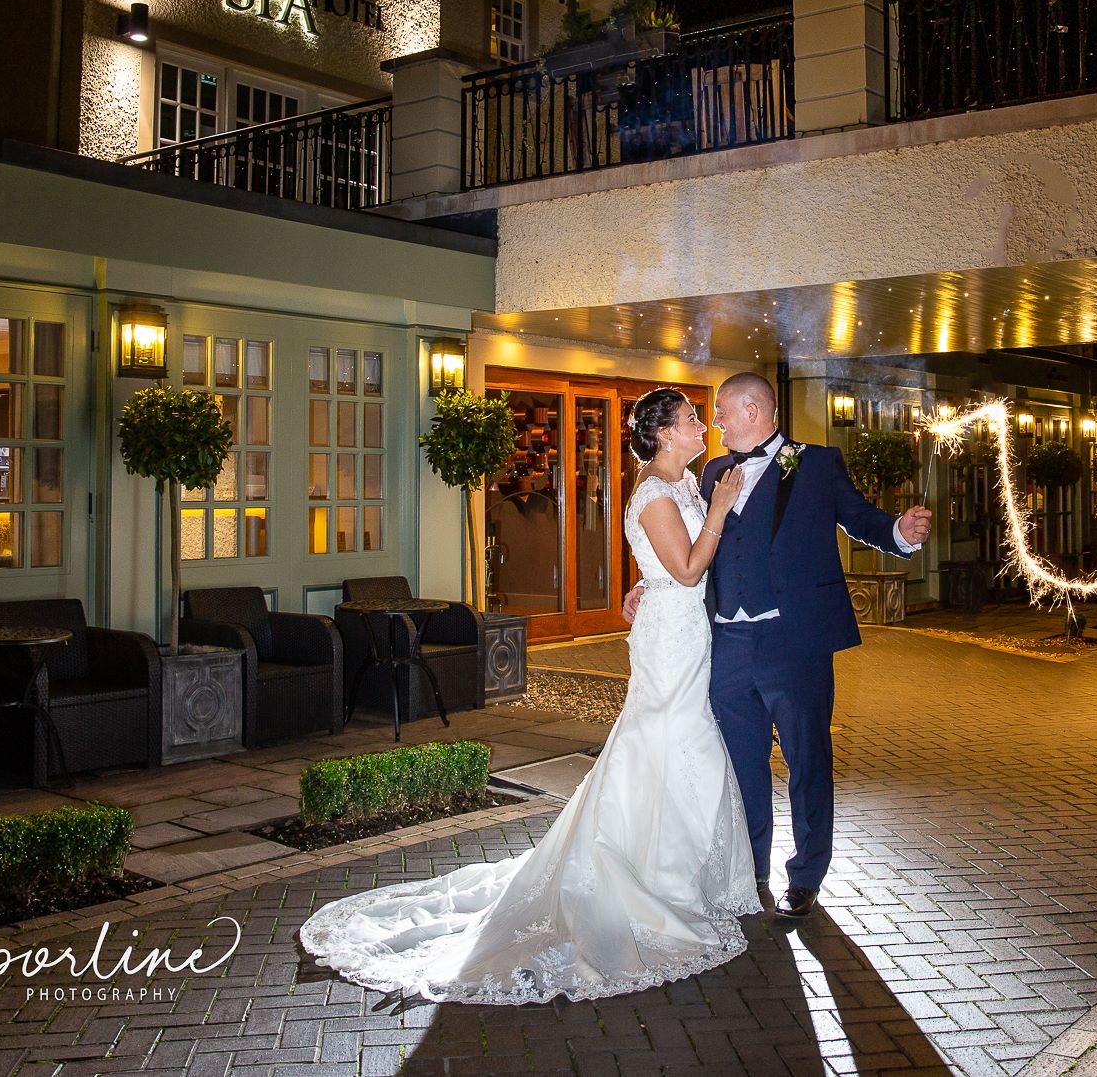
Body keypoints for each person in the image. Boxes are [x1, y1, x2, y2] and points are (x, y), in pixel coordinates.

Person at [300, 388, 758, 1003]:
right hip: (672, 638)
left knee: (668, 744)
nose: (702, 425)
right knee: (678, 741)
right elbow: (686, 568)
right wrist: (720, 512)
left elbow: (662, 563)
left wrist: (640, 582)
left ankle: (671, 874)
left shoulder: (677, 481)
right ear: (666, 434)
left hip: (680, 629)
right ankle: (654, 880)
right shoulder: (654, 489)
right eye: (692, 419)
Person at [623, 372, 932, 919]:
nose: (713, 421)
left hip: (796, 642)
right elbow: (683, 548)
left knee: (807, 759)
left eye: (718, 411)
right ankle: (752, 870)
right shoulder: (709, 474)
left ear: (752, 410)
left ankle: (807, 874)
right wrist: (648, 584)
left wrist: (900, 532)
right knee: (740, 766)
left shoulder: (815, 464)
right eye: (703, 416)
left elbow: (860, 520)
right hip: (725, 643)